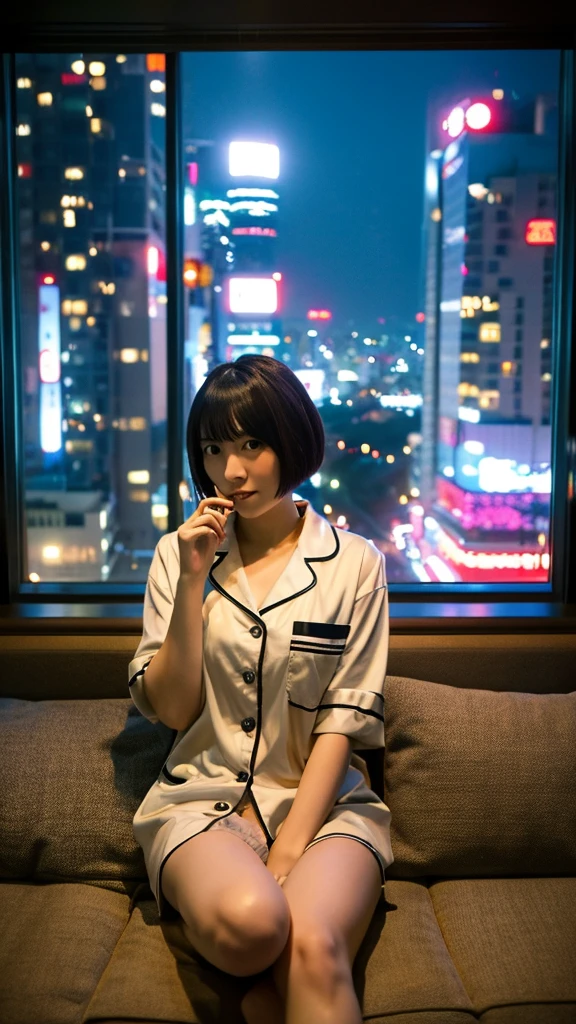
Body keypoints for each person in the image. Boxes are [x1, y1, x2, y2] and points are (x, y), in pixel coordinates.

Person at [128, 354, 394, 1024]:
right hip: (200, 802)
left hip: (325, 809)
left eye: (252, 444)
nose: (231, 472)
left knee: (314, 947)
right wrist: (192, 579)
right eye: (214, 449)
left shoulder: (355, 565)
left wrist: (290, 848)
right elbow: (171, 708)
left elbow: (343, 717)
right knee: (255, 926)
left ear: (292, 441)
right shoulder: (177, 554)